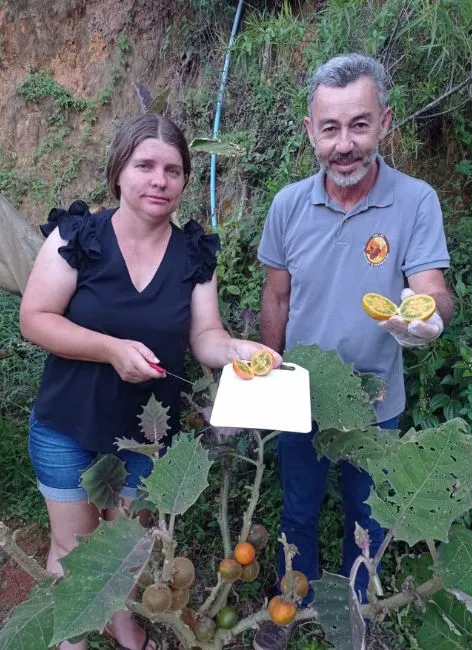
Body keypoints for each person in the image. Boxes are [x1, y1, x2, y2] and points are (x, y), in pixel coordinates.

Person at [20, 113, 281, 650]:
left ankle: (120, 620)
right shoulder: (79, 236)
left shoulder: (193, 254)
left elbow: (205, 335)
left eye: (173, 169)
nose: (159, 180)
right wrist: (110, 349)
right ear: (119, 171)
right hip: (68, 425)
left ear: (185, 180)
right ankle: (68, 638)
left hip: (144, 435)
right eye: (145, 166)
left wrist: (239, 350)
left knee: (127, 547)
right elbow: (36, 319)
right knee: (73, 552)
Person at [253, 54, 455, 650]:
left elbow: (433, 291)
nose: (346, 144)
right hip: (299, 396)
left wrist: (430, 323)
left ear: (385, 122)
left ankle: (359, 617)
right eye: (332, 128)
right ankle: (294, 601)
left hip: (375, 400)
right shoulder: (288, 204)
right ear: (310, 131)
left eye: (360, 125)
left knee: (368, 520)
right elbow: (275, 299)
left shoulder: (415, 201)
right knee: (297, 511)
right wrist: (267, 374)